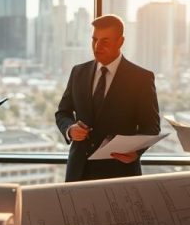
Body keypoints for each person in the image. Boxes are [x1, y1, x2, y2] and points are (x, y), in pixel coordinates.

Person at [55, 14, 160, 182]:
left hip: (120, 172)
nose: (97, 46)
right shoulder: (78, 72)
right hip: (78, 172)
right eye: (94, 40)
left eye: (105, 41)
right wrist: (70, 129)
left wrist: (136, 152)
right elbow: (62, 113)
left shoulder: (141, 78)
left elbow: (151, 127)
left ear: (120, 41)